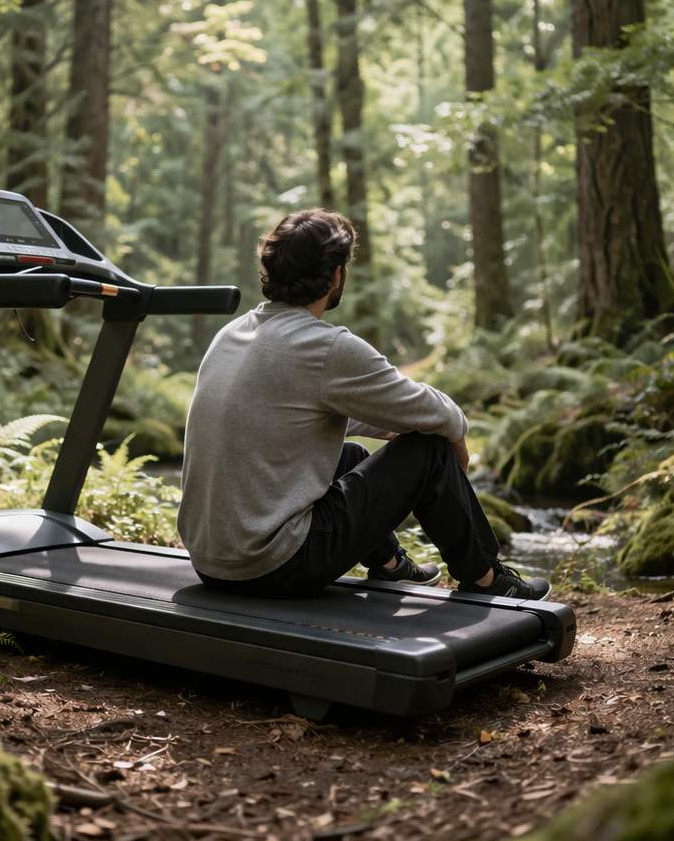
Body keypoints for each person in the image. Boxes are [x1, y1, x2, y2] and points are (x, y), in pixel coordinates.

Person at [178, 207, 551, 601]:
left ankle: (389, 564)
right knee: (429, 450)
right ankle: (485, 577)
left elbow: (291, 416)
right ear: (336, 274)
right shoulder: (325, 346)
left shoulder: (231, 333)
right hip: (275, 566)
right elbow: (438, 413)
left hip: (209, 562)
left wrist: (394, 424)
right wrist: (453, 436)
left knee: (351, 455)